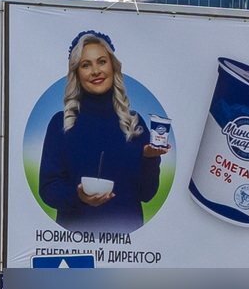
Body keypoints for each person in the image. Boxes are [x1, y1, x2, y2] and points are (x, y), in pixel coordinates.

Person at [34, 30, 163, 234]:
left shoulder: (134, 125)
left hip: (128, 249)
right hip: (75, 245)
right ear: (76, 73)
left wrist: (150, 160)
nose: (96, 71)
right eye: (86, 65)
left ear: (113, 66)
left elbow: (147, 194)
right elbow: (49, 189)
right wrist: (79, 197)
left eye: (101, 61)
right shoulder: (61, 124)